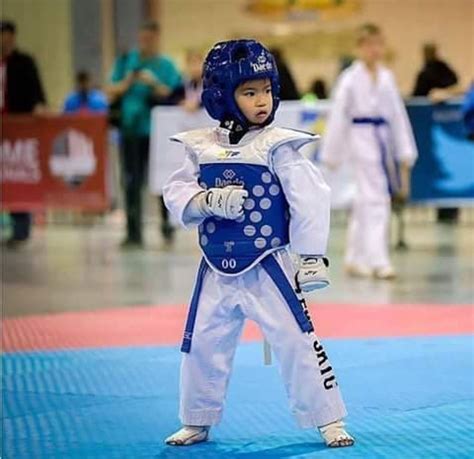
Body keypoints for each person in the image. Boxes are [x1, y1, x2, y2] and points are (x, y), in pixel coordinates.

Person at [163, 40, 354, 449]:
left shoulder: (277, 145)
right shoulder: (202, 147)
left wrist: (311, 256)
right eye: (249, 92)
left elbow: (310, 196)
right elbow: (175, 190)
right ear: (221, 96)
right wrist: (204, 202)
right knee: (200, 343)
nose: (262, 100)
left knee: (297, 340)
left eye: (266, 90)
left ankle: (328, 419)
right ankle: (197, 418)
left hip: (269, 263)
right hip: (214, 267)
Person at [319, 24, 417, 279]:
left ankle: (354, 258)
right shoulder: (350, 79)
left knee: (365, 203)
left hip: (380, 141)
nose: (375, 50)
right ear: (359, 48)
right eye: (369, 45)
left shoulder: (386, 77)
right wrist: (331, 153)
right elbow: (338, 116)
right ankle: (378, 260)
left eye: (378, 44)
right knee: (376, 201)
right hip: (358, 141)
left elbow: (397, 115)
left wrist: (404, 150)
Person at [106, 21, 182, 248]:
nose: (145, 43)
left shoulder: (166, 65)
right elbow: (110, 90)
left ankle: (166, 227)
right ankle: (133, 232)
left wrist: (153, 83)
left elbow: (174, 93)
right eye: (143, 38)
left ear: (157, 38)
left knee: (162, 180)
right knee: (131, 182)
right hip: (131, 129)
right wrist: (129, 80)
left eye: (150, 38)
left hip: (157, 132)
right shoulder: (126, 61)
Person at [1, 20, 47, 248]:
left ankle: (20, 229)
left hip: (20, 130)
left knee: (18, 176)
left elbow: (37, 94)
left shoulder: (24, 62)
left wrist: (38, 107)